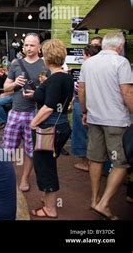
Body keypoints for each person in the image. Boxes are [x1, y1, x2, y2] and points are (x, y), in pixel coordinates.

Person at [78, 32, 133, 220]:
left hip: (94, 118)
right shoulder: (122, 62)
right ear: (120, 46)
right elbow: (126, 92)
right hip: (116, 120)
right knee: (121, 163)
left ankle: (95, 199)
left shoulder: (88, 63)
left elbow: (82, 90)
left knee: (95, 159)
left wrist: (84, 111)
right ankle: (104, 203)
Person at [27, 39, 74, 218]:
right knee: (49, 163)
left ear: (47, 57)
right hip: (61, 126)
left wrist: (33, 123)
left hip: (49, 128)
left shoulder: (55, 79)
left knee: (45, 166)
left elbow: (48, 107)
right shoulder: (66, 77)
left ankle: (50, 208)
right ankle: (48, 199)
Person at [2, 33, 47, 192]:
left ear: (39, 47)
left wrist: (38, 92)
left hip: (35, 113)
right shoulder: (16, 64)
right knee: (8, 149)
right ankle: (7, 179)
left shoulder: (45, 65)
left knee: (31, 150)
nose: (28, 48)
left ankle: (24, 180)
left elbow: (50, 92)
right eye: (26, 45)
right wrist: (14, 83)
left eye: (32, 45)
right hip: (15, 112)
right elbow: (5, 88)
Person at [72, 44, 101, 172]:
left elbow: (80, 88)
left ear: (88, 55)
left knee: (81, 132)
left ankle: (86, 162)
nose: (82, 57)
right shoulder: (101, 66)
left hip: (83, 102)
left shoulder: (87, 66)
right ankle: (94, 161)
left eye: (83, 54)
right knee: (94, 134)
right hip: (97, 103)